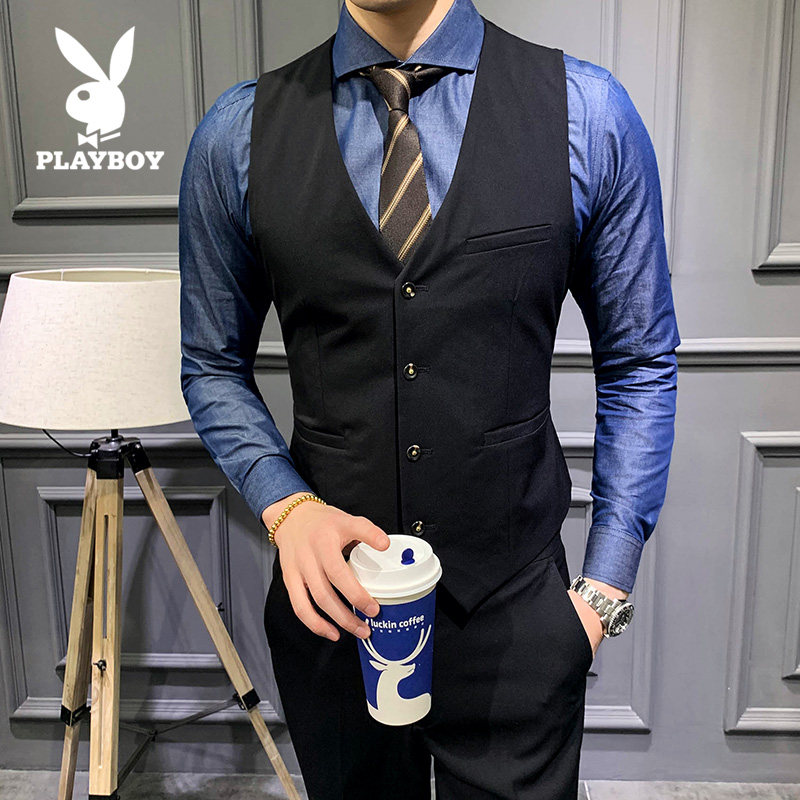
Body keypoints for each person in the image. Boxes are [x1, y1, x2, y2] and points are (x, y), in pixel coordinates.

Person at [178, 0, 681, 797]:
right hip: (334, 618)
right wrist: (288, 508)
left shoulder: (586, 114)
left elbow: (639, 359)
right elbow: (210, 363)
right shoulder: (237, 134)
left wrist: (602, 594)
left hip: (520, 621)